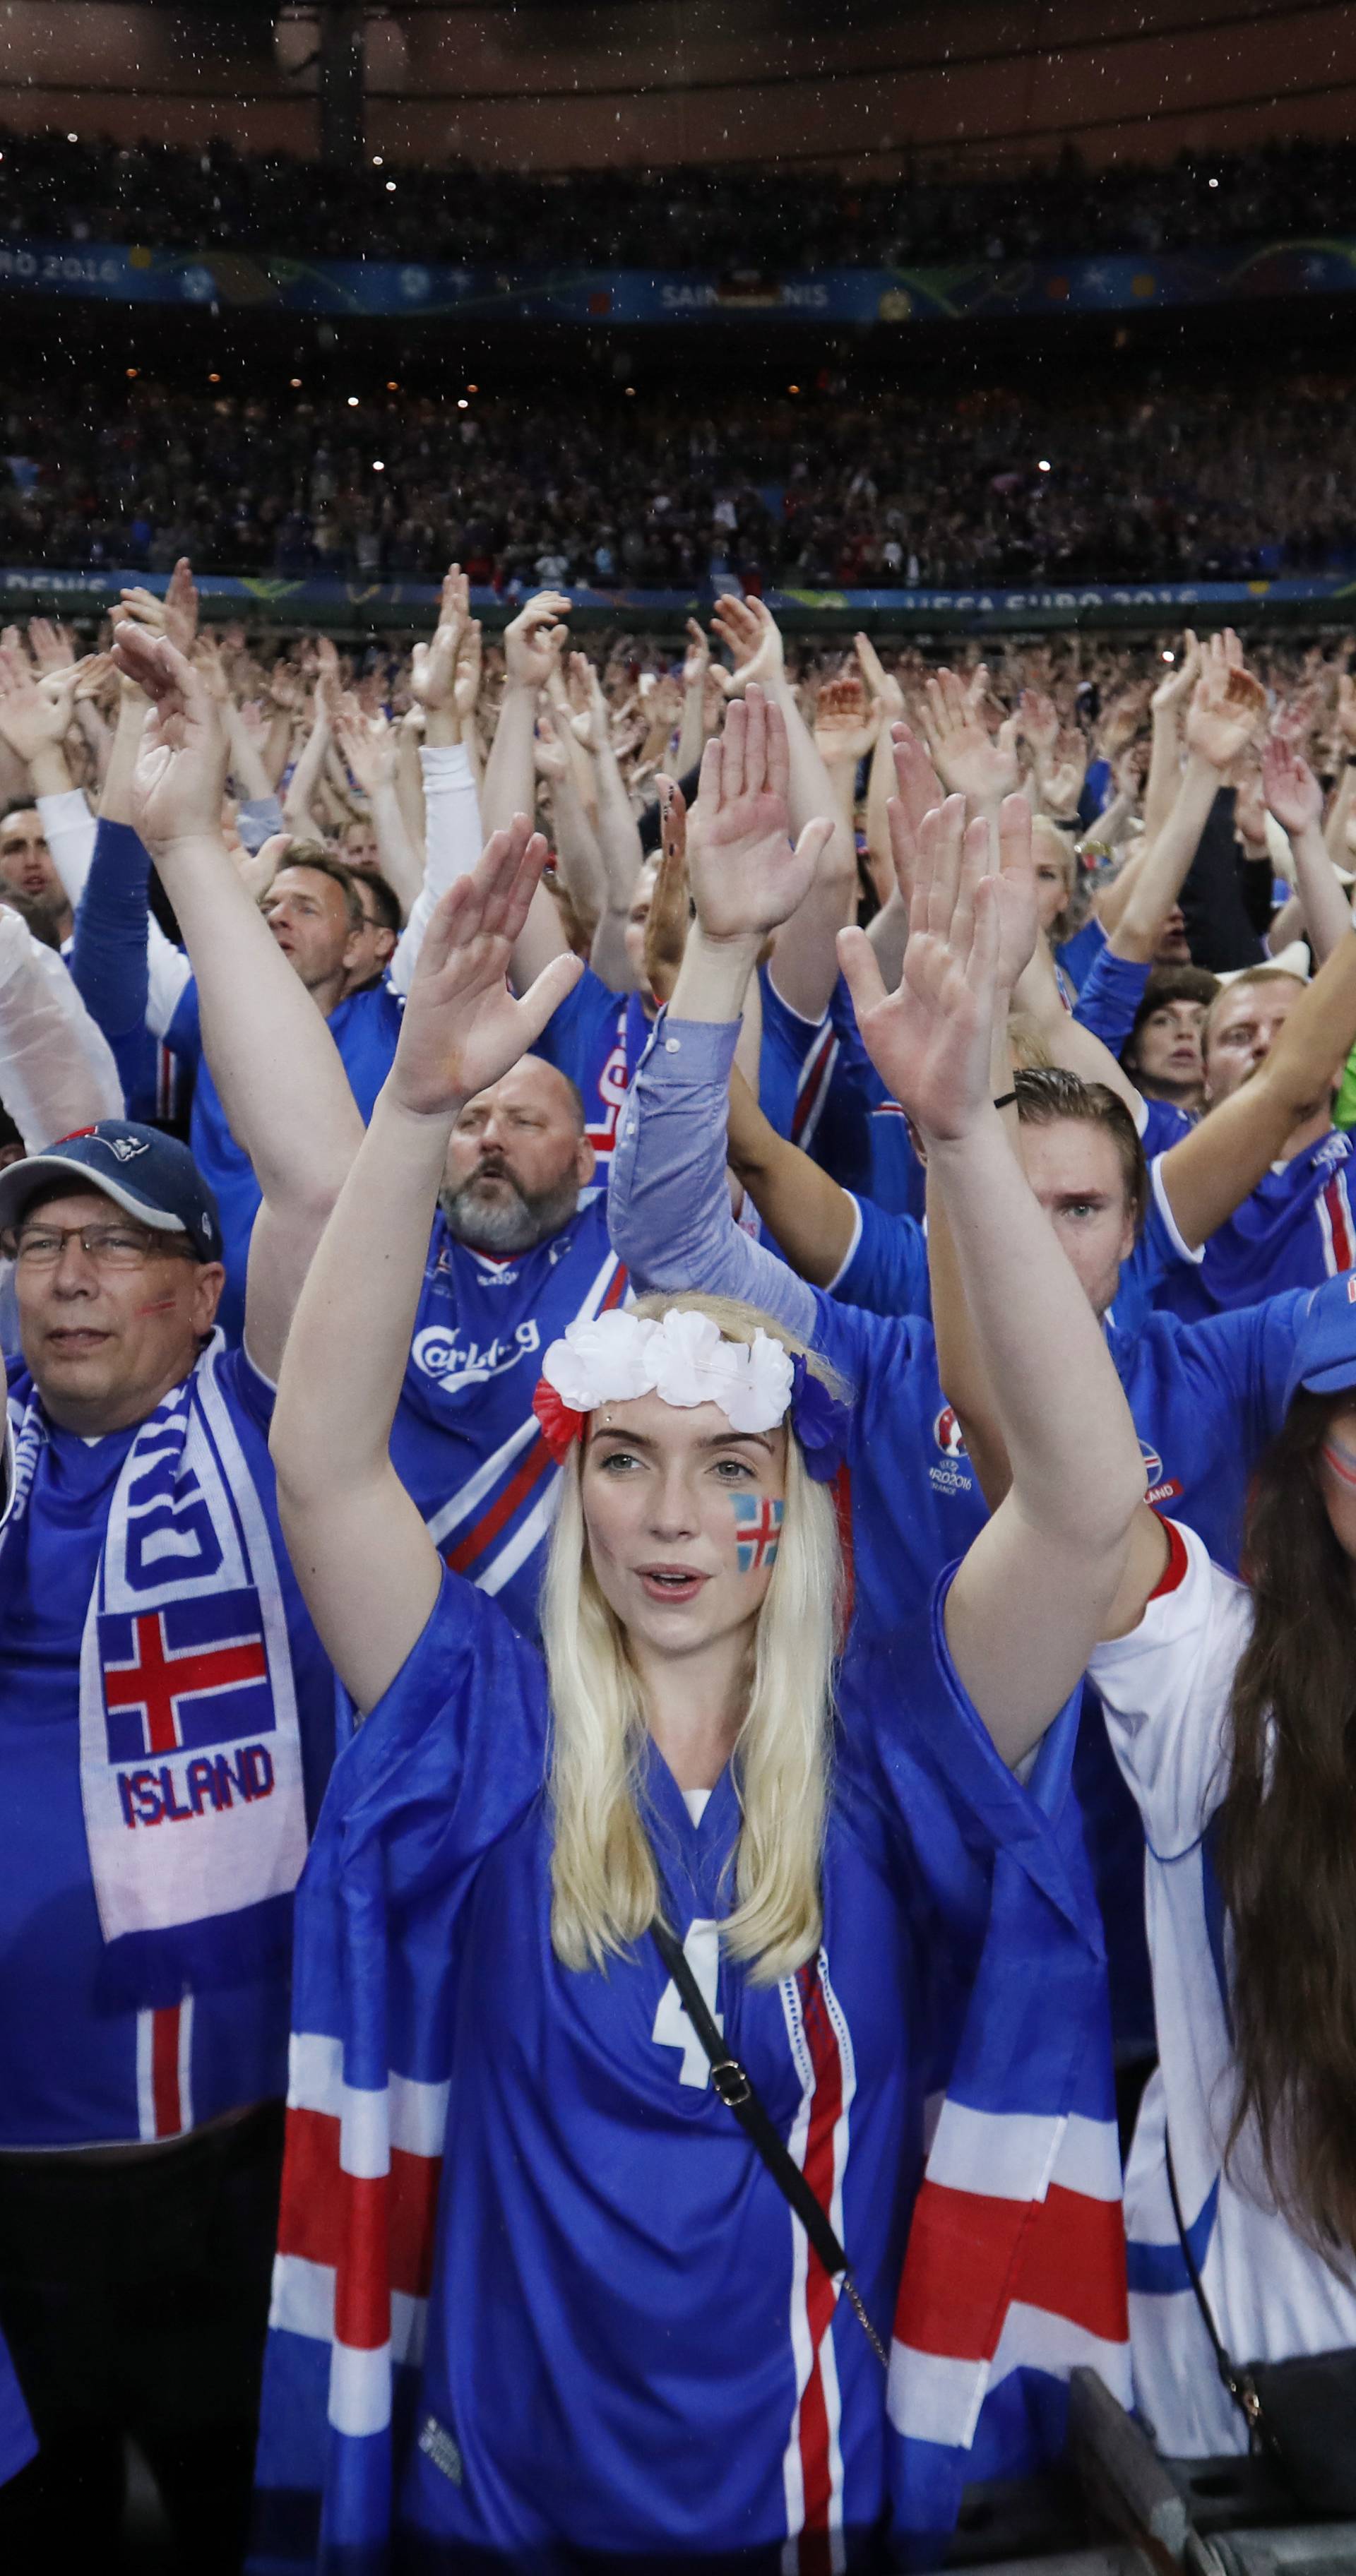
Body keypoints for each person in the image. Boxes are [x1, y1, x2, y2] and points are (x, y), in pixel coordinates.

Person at [256, 739, 1143, 2567]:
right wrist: (414, 1105)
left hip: (796, 2513)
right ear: (579, 1495)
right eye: (629, 1466)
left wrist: (966, 1134)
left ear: (797, 1499)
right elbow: (325, 1460)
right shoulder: (485, 1719)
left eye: (726, 1468)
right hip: (500, 2516)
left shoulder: (890, 1745)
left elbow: (1079, 1505)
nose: (669, 1518)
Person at [0, 623, 364, 2569]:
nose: (65, 1275)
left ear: (206, 1290)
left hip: (242, 2166)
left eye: (120, 1244)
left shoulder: (265, 1422)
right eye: (38, 1240)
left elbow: (318, 1177)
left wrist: (196, 842)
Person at [951, 1268, 1356, 2469]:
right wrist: (965, 1141)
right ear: (1305, 1459)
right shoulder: (1217, 1676)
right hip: (1256, 2410)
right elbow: (1055, 1481)